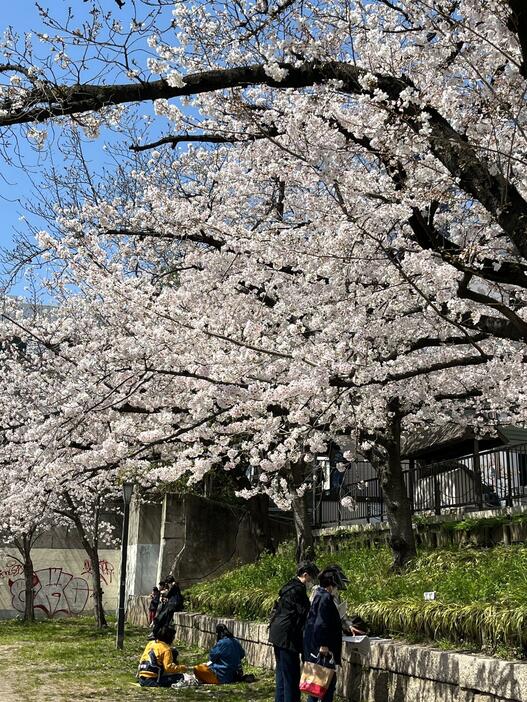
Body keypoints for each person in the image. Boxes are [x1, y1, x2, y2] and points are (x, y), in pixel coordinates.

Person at [268, 561, 320, 702]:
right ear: (305, 575)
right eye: (312, 578)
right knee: (291, 677)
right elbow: (305, 613)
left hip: (277, 633)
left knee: (282, 675)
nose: (312, 582)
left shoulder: (288, 586)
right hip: (287, 637)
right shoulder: (298, 590)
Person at [303, 571, 342, 702]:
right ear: (331, 585)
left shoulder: (318, 595)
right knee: (326, 684)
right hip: (323, 648)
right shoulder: (325, 598)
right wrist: (324, 644)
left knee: (316, 684)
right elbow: (322, 623)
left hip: (314, 646)